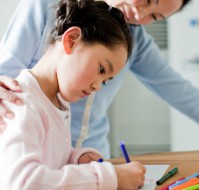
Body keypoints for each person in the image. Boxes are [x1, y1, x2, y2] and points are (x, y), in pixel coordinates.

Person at [0, 0, 199, 159]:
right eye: (149, 0)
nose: (140, 16)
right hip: (36, 151)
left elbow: (179, 90)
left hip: (90, 158)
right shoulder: (46, 5)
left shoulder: (135, 40)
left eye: (155, 17)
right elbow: (7, 69)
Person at [0, 0, 146, 189]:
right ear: (72, 40)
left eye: (105, 81)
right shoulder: (23, 104)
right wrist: (109, 178)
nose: (98, 88)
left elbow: (48, 158)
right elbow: (23, 183)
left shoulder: (57, 102)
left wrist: (76, 158)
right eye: (101, 69)